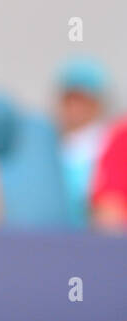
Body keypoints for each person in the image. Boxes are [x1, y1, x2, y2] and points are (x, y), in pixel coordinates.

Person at [54, 57, 109, 227]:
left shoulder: (108, 146)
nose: (75, 108)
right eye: (70, 100)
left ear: (97, 104)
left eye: (82, 100)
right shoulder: (49, 146)